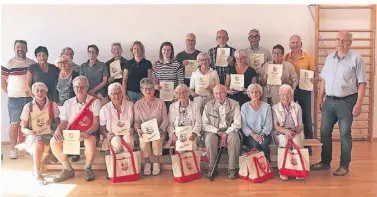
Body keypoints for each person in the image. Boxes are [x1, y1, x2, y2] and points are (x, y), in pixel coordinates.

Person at [311, 31, 367, 176]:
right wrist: (319, 98)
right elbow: (323, 80)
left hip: (347, 101)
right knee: (324, 132)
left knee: (345, 134)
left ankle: (344, 165)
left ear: (350, 42)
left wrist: (359, 104)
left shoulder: (357, 59)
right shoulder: (329, 58)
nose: (340, 42)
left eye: (344, 40)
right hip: (329, 101)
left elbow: (362, 83)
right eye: (338, 39)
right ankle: (325, 161)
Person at [50, 76, 101, 182]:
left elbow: (96, 123)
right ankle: (68, 169)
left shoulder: (95, 102)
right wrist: (58, 130)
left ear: (87, 88)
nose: (79, 89)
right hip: (71, 133)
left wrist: (87, 132)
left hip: (89, 132)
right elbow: (63, 122)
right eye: (77, 87)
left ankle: (88, 168)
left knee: (91, 140)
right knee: (54, 141)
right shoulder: (68, 103)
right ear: (73, 88)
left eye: (82, 87)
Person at [20, 82, 60, 185]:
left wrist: (51, 123)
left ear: (46, 91)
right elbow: (23, 128)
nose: (39, 93)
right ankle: (38, 174)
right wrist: (30, 131)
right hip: (34, 135)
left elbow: (58, 124)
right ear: (33, 92)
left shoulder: (52, 105)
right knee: (39, 143)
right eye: (37, 91)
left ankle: (35, 167)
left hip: (48, 133)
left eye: (42, 90)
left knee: (46, 146)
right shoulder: (28, 107)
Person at [1, 40, 35, 159]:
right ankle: (13, 149)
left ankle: (31, 148)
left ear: (26, 49)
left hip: (30, 98)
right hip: (14, 99)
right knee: (14, 124)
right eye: (18, 47)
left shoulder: (32, 63)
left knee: (32, 124)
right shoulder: (8, 63)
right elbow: (2, 82)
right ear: (14, 48)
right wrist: (11, 93)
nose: (20, 49)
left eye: (22, 47)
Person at [284, 34, 317, 155]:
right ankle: (290, 144)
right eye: (293, 42)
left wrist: (314, 79)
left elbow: (314, 74)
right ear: (289, 45)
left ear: (301, 44)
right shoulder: (285, 57)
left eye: (297, 42)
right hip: (289, 90)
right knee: (288, 117)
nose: (295, 44)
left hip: (304, 90)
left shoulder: (308, 57)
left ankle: (308, 146)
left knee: (306, 118)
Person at [202, 84, 241, 179]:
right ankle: (212, 168)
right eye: (216, 93)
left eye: (221, 93)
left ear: (225, 93)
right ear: (213, 94)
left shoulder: (235, 104)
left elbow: (237, 123)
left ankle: (232, 168)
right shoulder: (208, 105)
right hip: (215, 131)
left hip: (230, 130)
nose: (218, 96)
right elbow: (205, 124)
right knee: (209, 138)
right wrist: (219, 132)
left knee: (234, 137)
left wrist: (226, 133)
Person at [134, 78, 168, 176]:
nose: (148, 91)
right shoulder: (138, 104)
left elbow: (165, 119)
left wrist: (161, 129)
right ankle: (147, 162)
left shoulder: (160, 102)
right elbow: (137, 122)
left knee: (157, 139)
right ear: (141, 90)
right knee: (143, 141)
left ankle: (156, 161)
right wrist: (138, 129)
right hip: (145, 132)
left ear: (154, 90)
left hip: (158, 130)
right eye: (145, 89)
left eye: (150, 88)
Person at [272, 84, 304, 181]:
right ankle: (283, 170)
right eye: (283, 94)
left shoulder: (297, 107)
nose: (285, 96)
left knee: (297, 142)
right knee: (284, 142)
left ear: (291, 95)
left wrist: (294, 132)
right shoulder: (275, 108)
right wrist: (285, 131)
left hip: (295, 131)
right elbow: (276, 126)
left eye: (288, 94)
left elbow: (300, 124)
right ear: (279, 95)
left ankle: (298, 170)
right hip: (280, 132)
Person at [100, 83, 135, 152]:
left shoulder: (131, 106)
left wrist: (133, 129)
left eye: (118, 93)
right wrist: (107, 134)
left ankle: (127, 160)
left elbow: (135, 123)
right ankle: (116, 162)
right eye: (113, 94)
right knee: (116, 142)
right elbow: (101, 128)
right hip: (113, 135)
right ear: (109, 95)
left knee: (128, 139)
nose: (116, 96)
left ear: (122, 93)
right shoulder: (105, 109)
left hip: (127, 133)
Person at [241, 84, 272, 160]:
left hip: (264, 134)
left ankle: (266, 164)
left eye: (257, 92)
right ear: (249, 94)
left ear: (260, 93)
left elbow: (268, 125)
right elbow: (244, 126)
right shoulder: (244, 107)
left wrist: (261, 135)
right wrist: (254, 135)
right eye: (252, 92)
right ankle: (256, 167)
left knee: (263, 143)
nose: (254, 94)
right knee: (254, 144)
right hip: (250, 135)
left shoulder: (266, 106)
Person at [168, 84, 202, 151]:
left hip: (191, 134)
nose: (181, 95)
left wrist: (194, 134)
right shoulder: (172, 106)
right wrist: (172, 134)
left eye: (183, 92)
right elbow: (170, 124)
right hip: (177, 135)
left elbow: (199, 123)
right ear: (176, 94)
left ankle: (191, 160)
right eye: (179, 93)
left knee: (191, 147)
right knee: (180, 149)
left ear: (188, 93)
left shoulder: (195, 106)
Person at [152, 42, 184, 109]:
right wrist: (155, 86)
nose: (166, 52)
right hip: (159, 96)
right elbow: (152, 80)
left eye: (168, 50)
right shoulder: (155, 65)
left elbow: (181, 81)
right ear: (161, 51)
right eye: (164, 49)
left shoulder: (177, 65)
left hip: (173, 97)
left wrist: (176, 93)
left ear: (171, 51)